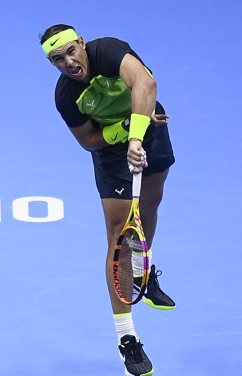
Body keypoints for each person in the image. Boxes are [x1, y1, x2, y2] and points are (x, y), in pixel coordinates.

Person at [39, 24, 176, 376]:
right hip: (113, 154)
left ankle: (143, 272)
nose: (68, 62)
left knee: (149, 207)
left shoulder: (109, 51)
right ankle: (127, 338)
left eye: (70, 51)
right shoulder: (66, 96)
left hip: (149, 128)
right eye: (57, 59)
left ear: (82, 43)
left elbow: (145, 83)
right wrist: (122, 135)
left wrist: (136, 133)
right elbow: (88, 140)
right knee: (118, 236)